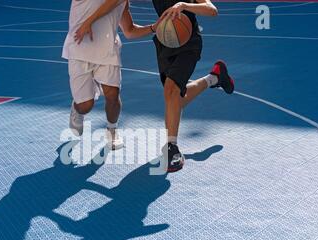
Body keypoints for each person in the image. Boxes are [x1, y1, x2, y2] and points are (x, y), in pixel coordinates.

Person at [76, 0, 235, 172]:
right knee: (174, 99)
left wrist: (184, 5)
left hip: (188, 42)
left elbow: (212, 10)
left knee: (171, 89)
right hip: (165, 41)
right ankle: (215, 77)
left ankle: (171, 148)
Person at [63, 0, 158, 150]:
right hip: (80, 48)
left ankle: (112, 130)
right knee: (85, 106)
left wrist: (154, 28)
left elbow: (129, 30)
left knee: (113, 95)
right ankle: (77, 108)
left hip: (108, 51)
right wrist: (89, 21)